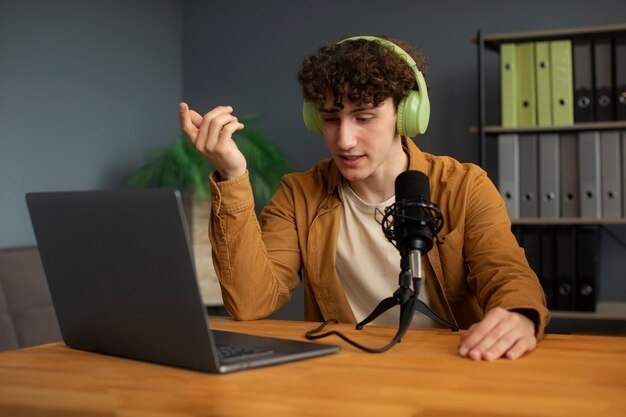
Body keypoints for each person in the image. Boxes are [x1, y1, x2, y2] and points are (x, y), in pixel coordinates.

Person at [178, 35, 550, 361]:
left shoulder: (464, 185)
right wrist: (232, 175)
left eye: (364, 117)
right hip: (344, 374)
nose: (344, 140)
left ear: (406, 115)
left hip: (447, 366)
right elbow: (250, 302)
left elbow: (506, 272)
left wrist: (519, 314)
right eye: (330, 119)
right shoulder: (299, 194)